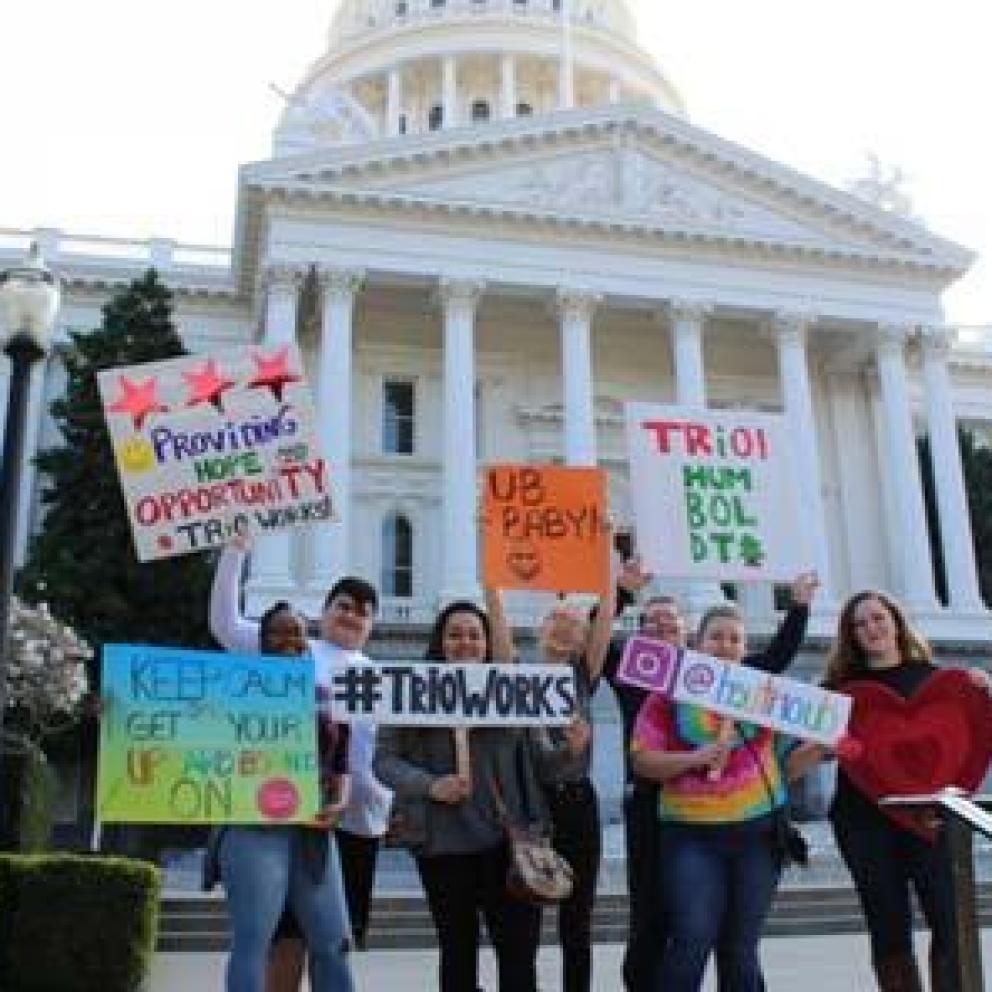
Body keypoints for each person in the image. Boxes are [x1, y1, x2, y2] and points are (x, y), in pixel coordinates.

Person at [601, 563, 817, 992]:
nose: (726, 646)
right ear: (697, 645)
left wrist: (822, 749)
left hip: (756, 834)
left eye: (735, 639)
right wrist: (696, 758)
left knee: (740, 951)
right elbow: (643, 759)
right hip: (686, 830)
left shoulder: (760, 690)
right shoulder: (662, 690)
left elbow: (783, 765)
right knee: (688, 938)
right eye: (716, 637)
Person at [375, 594, 586, 992]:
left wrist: (570, 750)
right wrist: (430, 785)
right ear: (439, 643)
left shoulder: (511, 689)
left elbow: (543, 764)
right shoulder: (409, 691)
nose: (465, 643)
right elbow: (384, 762)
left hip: (510, 847)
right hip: (443, 845)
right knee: (458, 954)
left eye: (475, 635)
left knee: (519, 956)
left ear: (488, 644)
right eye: (455, 635)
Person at [810, 591, 992, 991]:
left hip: (933, 819)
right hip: (863, 823)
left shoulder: (947, 683)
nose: (871, 629)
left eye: (878, 618)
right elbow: (805, 758)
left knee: (949, 922)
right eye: (860, 624)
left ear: (896, 621)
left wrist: (985, 692)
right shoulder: (838, 693)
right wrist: (823, 744)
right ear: (851, 636)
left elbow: (973, 736)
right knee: (888, 928)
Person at [208, 541, 356, 992]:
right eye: (279, 634)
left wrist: (341, 805)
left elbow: (342, 762)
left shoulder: (326, 696)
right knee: (254, 939)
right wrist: (235, 552)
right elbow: (222, 621)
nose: (291, 642)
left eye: (299, 634)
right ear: (260, 643)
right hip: (256, 827)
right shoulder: (236, 691)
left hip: (313, 830)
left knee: (334, 941)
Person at [537, 578, 617, 992]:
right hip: (532, 807)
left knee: (577, 921)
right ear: (541, 628)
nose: (565, 626)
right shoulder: (514, 676)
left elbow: (605, 616)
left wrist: (609, 567)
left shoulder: (581, 677)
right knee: (523, 920)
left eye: (574, 622)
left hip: (577, 804)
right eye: (557, 617)